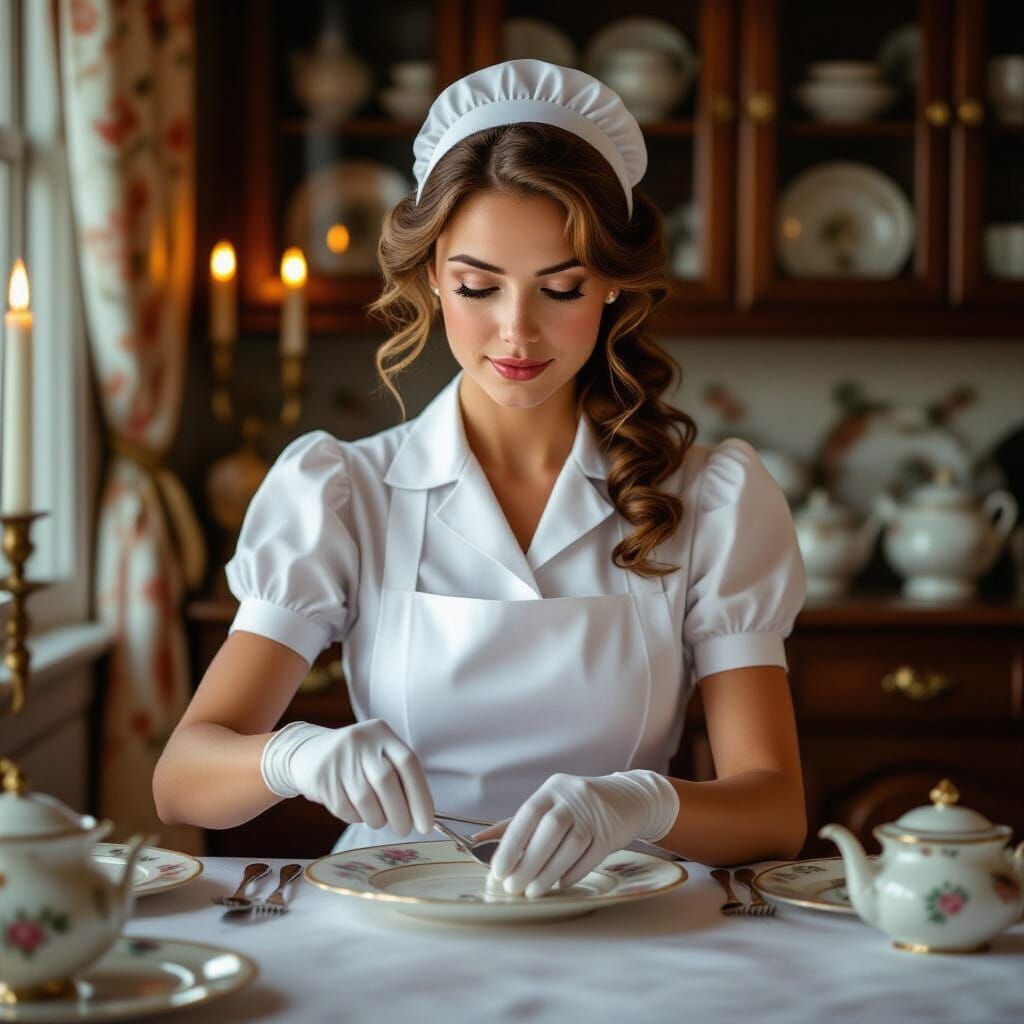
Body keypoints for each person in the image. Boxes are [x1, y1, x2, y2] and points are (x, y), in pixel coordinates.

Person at [153, 59, 807, 899]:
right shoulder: (343, 491)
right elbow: (181, 779)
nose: (517, 331)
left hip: (620, 914)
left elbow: (774, 808)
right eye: (476, 285)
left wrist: (639, 802)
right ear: (431, 275)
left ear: (611, 285)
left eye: (561, 288)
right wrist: (295, 756)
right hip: (392, 914)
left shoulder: (710, 499)